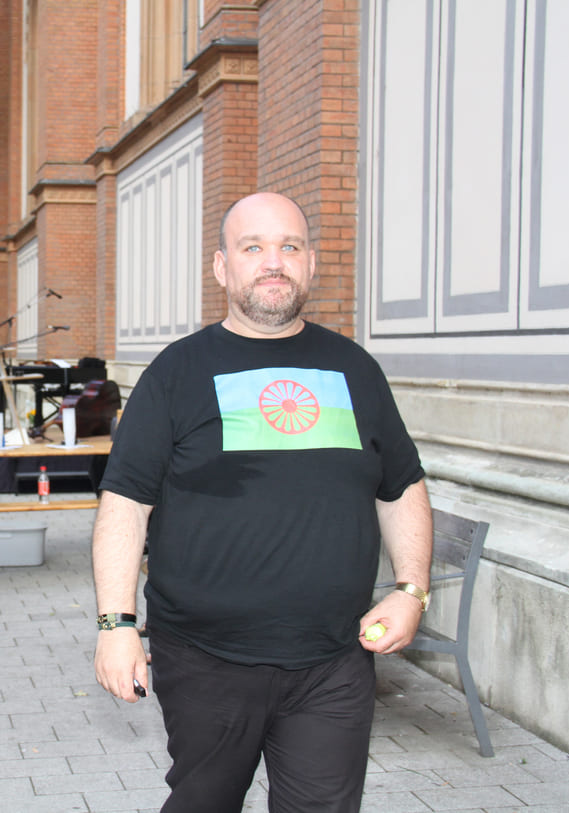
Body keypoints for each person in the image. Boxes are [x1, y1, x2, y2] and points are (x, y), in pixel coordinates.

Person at [92, 192, 433, 812]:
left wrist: (411, 590)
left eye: (289, 247)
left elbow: (402, 484)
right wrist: (116, 626)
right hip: (205, 660)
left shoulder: (355, 369)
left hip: (335, 657)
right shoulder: (176, 372)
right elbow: (125, 503)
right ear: (223, 267)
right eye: (253, 247)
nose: (273, 262)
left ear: (310, 265)